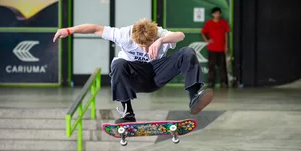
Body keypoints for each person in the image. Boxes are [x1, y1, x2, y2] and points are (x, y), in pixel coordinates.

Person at [53, 19, 213, 123]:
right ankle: (127, 112)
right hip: (134, 77)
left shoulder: (160, 34)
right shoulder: (124, 35)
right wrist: (68, 30)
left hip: (156, 74)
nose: (144, 49)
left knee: (187, 52)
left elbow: (181, 35)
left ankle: (194, 97)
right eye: (140, 45)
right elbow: (95, 28)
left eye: (148, 44)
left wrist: (161, 41)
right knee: (118, 63)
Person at [201, 7, 230, 88]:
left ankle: (224, 82)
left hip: (221, 48)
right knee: (211, 66)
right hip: (212, 48)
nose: (217, 15)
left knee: (222, 66)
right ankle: (211, 82)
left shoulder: (224, 23)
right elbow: (203, 32)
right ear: (212, 14)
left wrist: (226, 46)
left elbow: (226, 34)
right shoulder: (209, 23)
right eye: (215, 13)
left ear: (220, 14)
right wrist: (207, 40)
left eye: (218, 13)